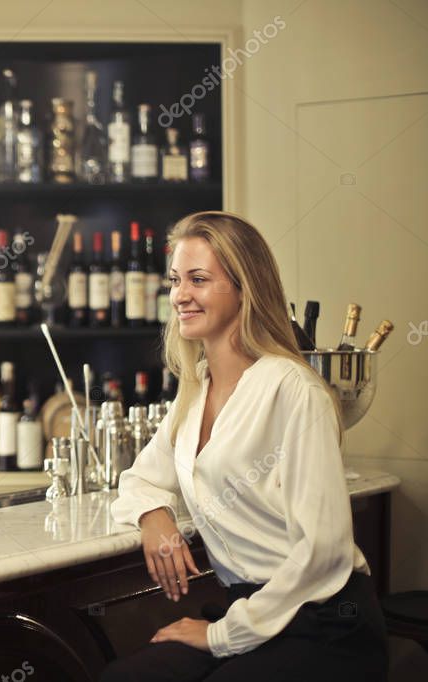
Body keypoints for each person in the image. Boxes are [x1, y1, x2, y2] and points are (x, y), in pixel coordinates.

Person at [101, 212, 387, 681]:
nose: (180, 295)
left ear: (244, 288)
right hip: (249, 612)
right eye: (176, 280)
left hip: (325, 623)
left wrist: (219, 636)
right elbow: (140, 478)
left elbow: (325, 553)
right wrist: (154, 515)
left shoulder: (294, 391)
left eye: (199, 279)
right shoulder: (196, 390)